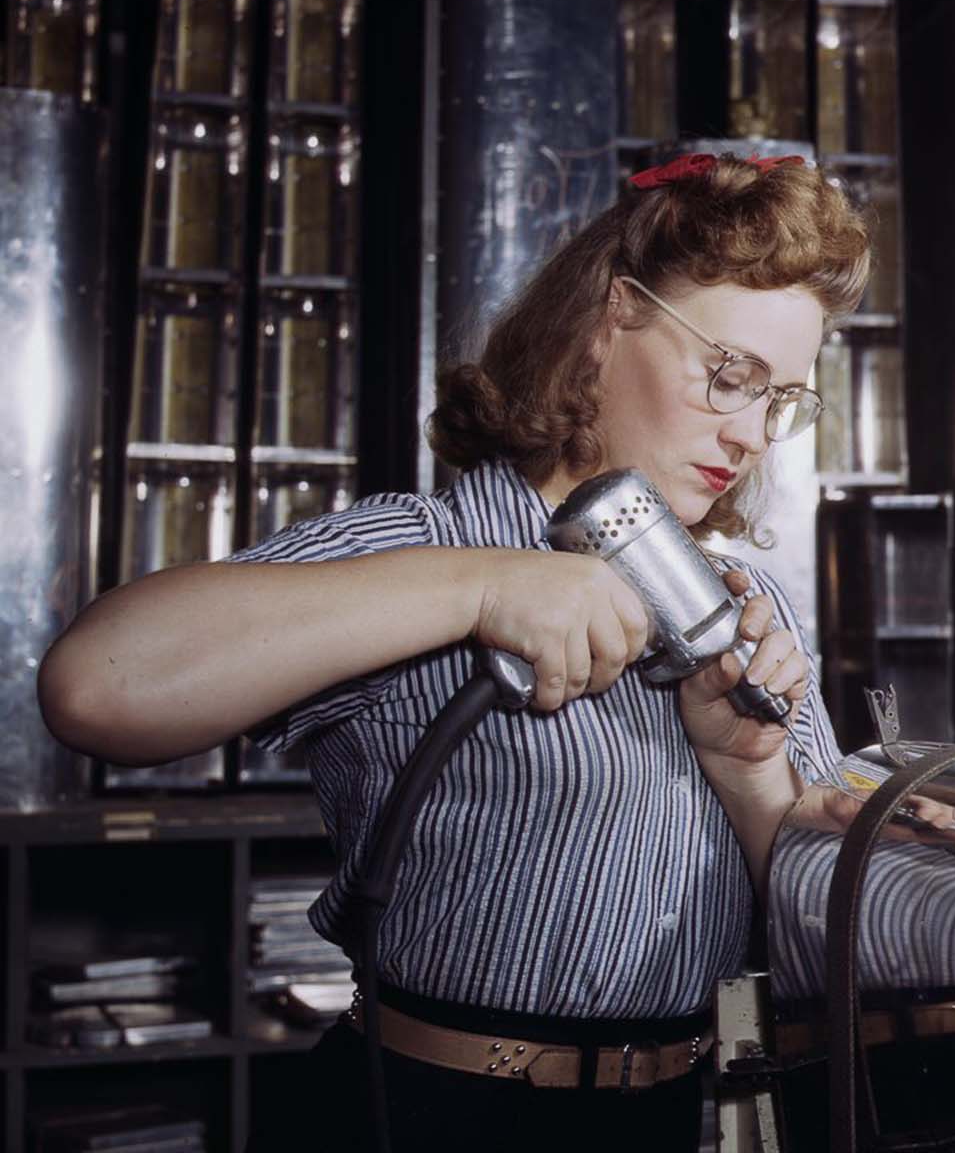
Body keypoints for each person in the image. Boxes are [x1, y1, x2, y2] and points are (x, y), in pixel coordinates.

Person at [37, 151, 871, 1151]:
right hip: (425, 1113)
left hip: (659, 1119)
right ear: (611, 319)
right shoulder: (422, 544)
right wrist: (480, 586)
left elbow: (833, 945)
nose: (748, 435)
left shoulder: (748, 609)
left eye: (778, 399)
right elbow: (94, 686)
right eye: (728, 373)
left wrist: (750, 773)